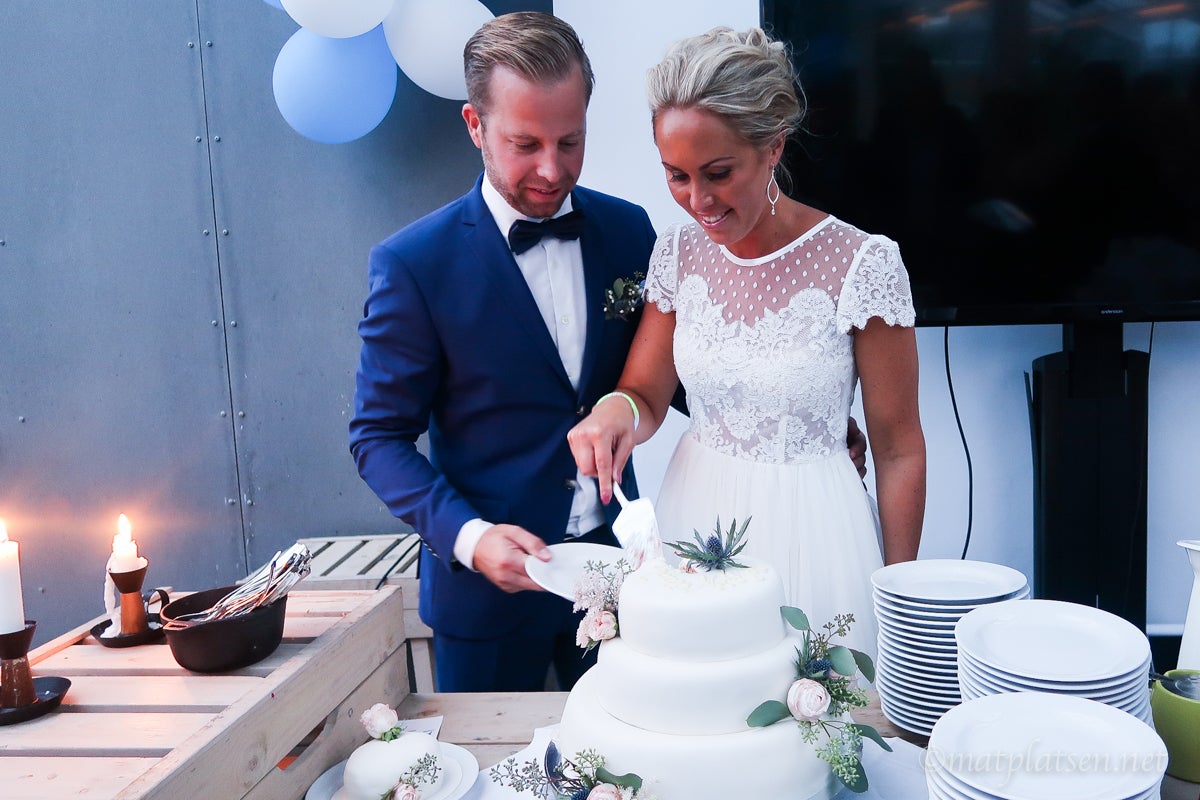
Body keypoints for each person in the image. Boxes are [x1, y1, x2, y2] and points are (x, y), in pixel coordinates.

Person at [567, 26, 926, 657]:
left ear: (773, 146)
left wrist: (902, 606)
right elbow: (645, 394)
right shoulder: (678, 254)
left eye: (718, 173)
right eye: (676, 176)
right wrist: (613, 413)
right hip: (695, 514)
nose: (697, 201)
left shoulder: (861, 265)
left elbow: (898, 451)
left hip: (814, 532)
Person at [349, 12, 656, 692]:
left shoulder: (629, 231)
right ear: (475, 126)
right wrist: (470, 537)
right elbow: (377, 438)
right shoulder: (413, 264)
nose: (552, 168)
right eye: (525, 144)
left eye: (570, 141)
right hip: (484, 604)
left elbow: (670, 374)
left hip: (619, 578)